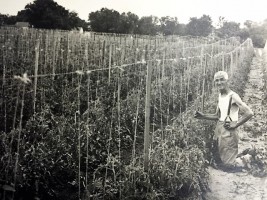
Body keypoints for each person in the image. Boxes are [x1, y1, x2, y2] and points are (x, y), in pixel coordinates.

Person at [194, 71, 253, 171]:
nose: (219, 82)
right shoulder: (221, 96)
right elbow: (218, 116)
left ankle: (250, 156)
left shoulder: (233, 96)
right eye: (217, 80)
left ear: (227, 81)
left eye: (222, 79)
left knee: (228, 166)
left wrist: (235, 125)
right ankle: (243, 154)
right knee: (221, 161)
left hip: (229, 130)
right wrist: (203, 116)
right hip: (220, 128)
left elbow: (249, 113)